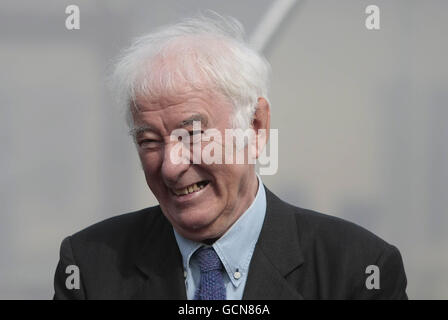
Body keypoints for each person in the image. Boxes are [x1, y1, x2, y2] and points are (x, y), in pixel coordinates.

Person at [53, 13, 407, 300]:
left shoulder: (357, 271)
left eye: (192, 134)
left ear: (255, 127)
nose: (171, 166)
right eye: (149, 141)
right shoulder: (89, 267)